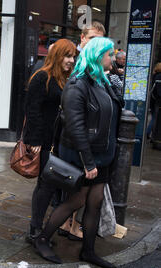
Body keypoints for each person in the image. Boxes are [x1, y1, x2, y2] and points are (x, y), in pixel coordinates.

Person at [33, 37, 122, 268]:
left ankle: (88, 251)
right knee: (77, 200)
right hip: (84, 157)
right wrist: (88, 163)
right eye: (109, 54)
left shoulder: (102, 81)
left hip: (102, 156)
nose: (114, 58)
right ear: (96, 55)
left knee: (95, 202)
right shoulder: (77, 84)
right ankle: (41, 238)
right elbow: (75, 127)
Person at [23, 39, 76, 244]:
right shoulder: (41, 77)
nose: (71, 60)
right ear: (57, 56)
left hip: (58, 140)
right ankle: (35, 229)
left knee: (50, 185)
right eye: (67, 56)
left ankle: (39, 227)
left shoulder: (64, 78)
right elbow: (32, 110)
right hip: (44, 141)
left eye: (73, 57)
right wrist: (34, 140)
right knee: (45, 185)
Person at [58, 20, 107, 241]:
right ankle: (58, 225)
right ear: (83, 39)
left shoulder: (95, 67)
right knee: (70, 187)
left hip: (83, 138)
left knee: (80, 190)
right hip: (68, 138)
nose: (97, 44)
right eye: (93, 39)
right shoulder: (76, 64)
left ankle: (71, 224)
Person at [147, 63, 161, 141]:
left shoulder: (154, 76)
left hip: (153, 100)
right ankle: (149, 133)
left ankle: (150, 134)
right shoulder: (159, 77)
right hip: (156, 101)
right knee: (155, 118)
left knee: (153, 117)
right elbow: (159, 91)